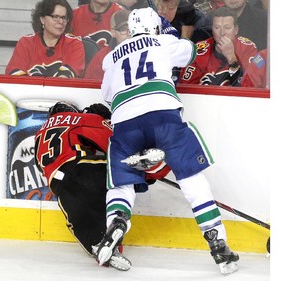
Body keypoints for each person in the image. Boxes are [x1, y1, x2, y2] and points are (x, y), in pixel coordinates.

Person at [93, 7, 239, 276]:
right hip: (163, 114)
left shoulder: (112, 56)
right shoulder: (163, 41)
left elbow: (107, 96)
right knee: (191, 178)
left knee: (121, 182)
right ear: (155, 27)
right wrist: (173, 35)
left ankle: (116, 223)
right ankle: (218, 243)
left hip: (124, 121)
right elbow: (191, 53)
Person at [34, 101, 169, 271]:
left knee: (83, 227)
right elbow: (113, 141)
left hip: (61, 187)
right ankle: (148, 172)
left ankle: (101, 246)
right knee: (121, 174)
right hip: (84, 167)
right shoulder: (79, 119)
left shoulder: (38, 135)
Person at [179, 7, 258, 86]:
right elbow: (186, 88)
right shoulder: (199, 51)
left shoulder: (248, 48)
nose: (222, 33)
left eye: (227, 28)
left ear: (236, 30)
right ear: (212, 29)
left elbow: (250, 87)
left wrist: (232, 58)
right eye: (217, 27)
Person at [5, 0, 85, 78]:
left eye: (64, 17)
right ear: (42, 19)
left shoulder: (74, 44)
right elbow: (15, 74)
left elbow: (65, 77)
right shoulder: (26, 43)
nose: (61, 21)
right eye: (55, 17)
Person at [84, 9, 131, 80]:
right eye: (123, 30)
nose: (129, 34)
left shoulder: (148, 50)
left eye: (132, 29)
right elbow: (90, 88)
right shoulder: (102, 58)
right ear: (113, 32)